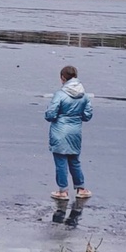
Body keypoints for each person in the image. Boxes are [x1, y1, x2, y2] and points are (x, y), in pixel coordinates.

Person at [45, 65, 93, 200]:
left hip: (60, 131)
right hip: (75, 131)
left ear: (62, 78)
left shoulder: (60, 94)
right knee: (74, 160)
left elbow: (50, 114)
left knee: (60, 161)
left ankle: (63, 191)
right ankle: (81, 188)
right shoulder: (84, 95)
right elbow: (87, 115)